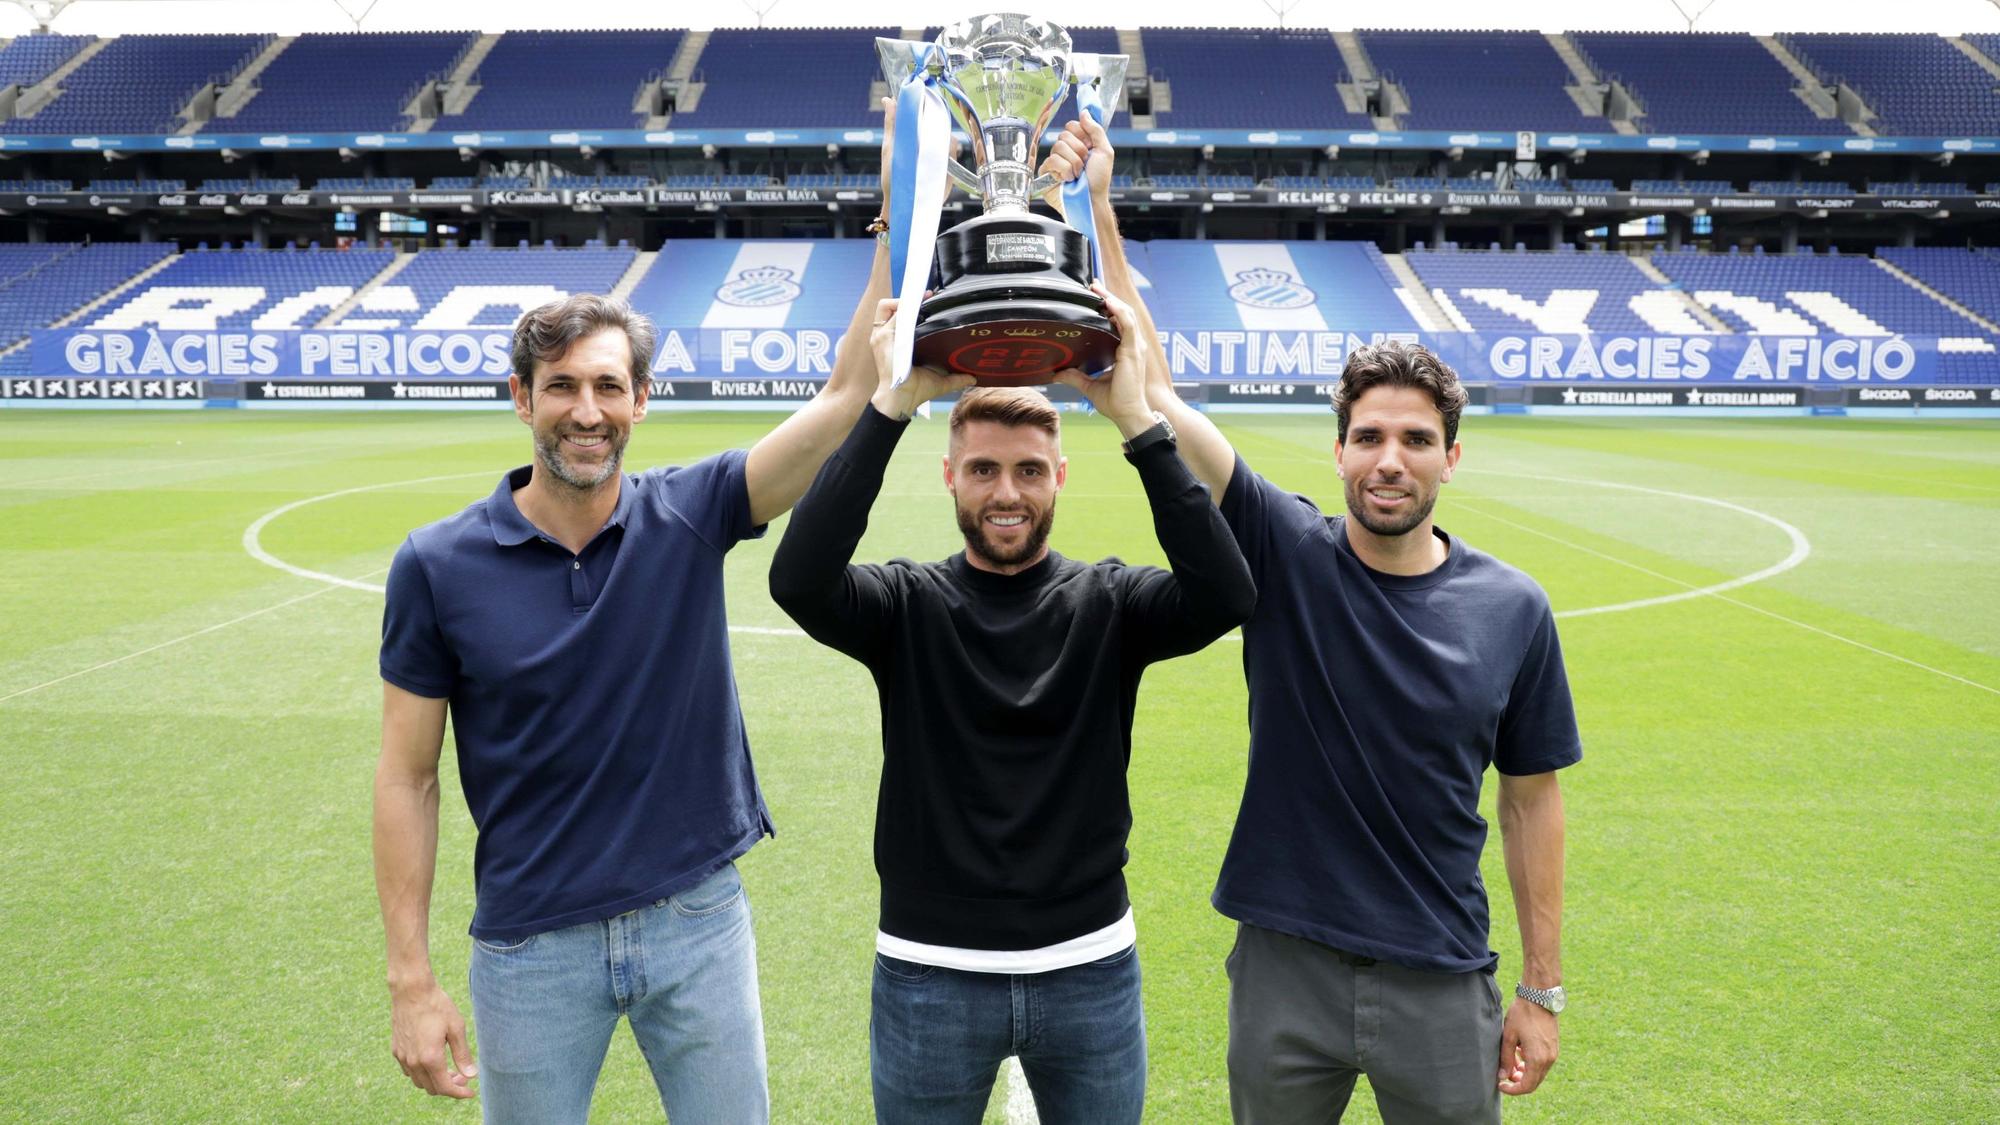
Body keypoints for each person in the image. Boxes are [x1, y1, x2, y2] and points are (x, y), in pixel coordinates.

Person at [1046, 113, 1581, 1122]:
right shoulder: (1284, 550)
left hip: (1438, 973)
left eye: (1415, 440)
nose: (1390, 459)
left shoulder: (1513, 607)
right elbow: (1151, 390)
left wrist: (1539, 990)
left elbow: (1530, 800)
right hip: (1283, 966)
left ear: (1449, 458)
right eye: (1368, 436)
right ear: (1336, 452)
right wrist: (1099, 206)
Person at [371, 277, 884, 1120]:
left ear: (641, 400)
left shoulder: (692, 510)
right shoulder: (435, 565)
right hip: (529, 944)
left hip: (697, 919)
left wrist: (888, 246)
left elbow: (847, 400)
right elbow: (406, 777)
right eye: (562, 385)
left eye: (609, 385)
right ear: (520, 397)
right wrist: (410, 979)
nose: (586, 410)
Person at [767, 289, 1256, 1123]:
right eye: (985, 468)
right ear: (950, 474)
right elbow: (798, 578)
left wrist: (1140, 424)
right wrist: (894, 403)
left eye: (1030, 470)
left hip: (1090, 969)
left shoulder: (1109, 600)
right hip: (928, 970)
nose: (1007, 492)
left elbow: (1224, 593)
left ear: (1059, 476)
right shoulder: (906, 604)